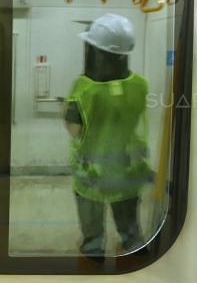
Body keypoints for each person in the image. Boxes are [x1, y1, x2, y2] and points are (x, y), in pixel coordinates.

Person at [63, 13, 153, 255]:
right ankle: (133, 260)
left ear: (96, 50)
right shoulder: (141, 84)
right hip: (128, 171)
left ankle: (93, 260)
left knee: (92, 240)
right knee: (131, 233)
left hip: (92, 175)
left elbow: (74, 129)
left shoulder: (83, 87)